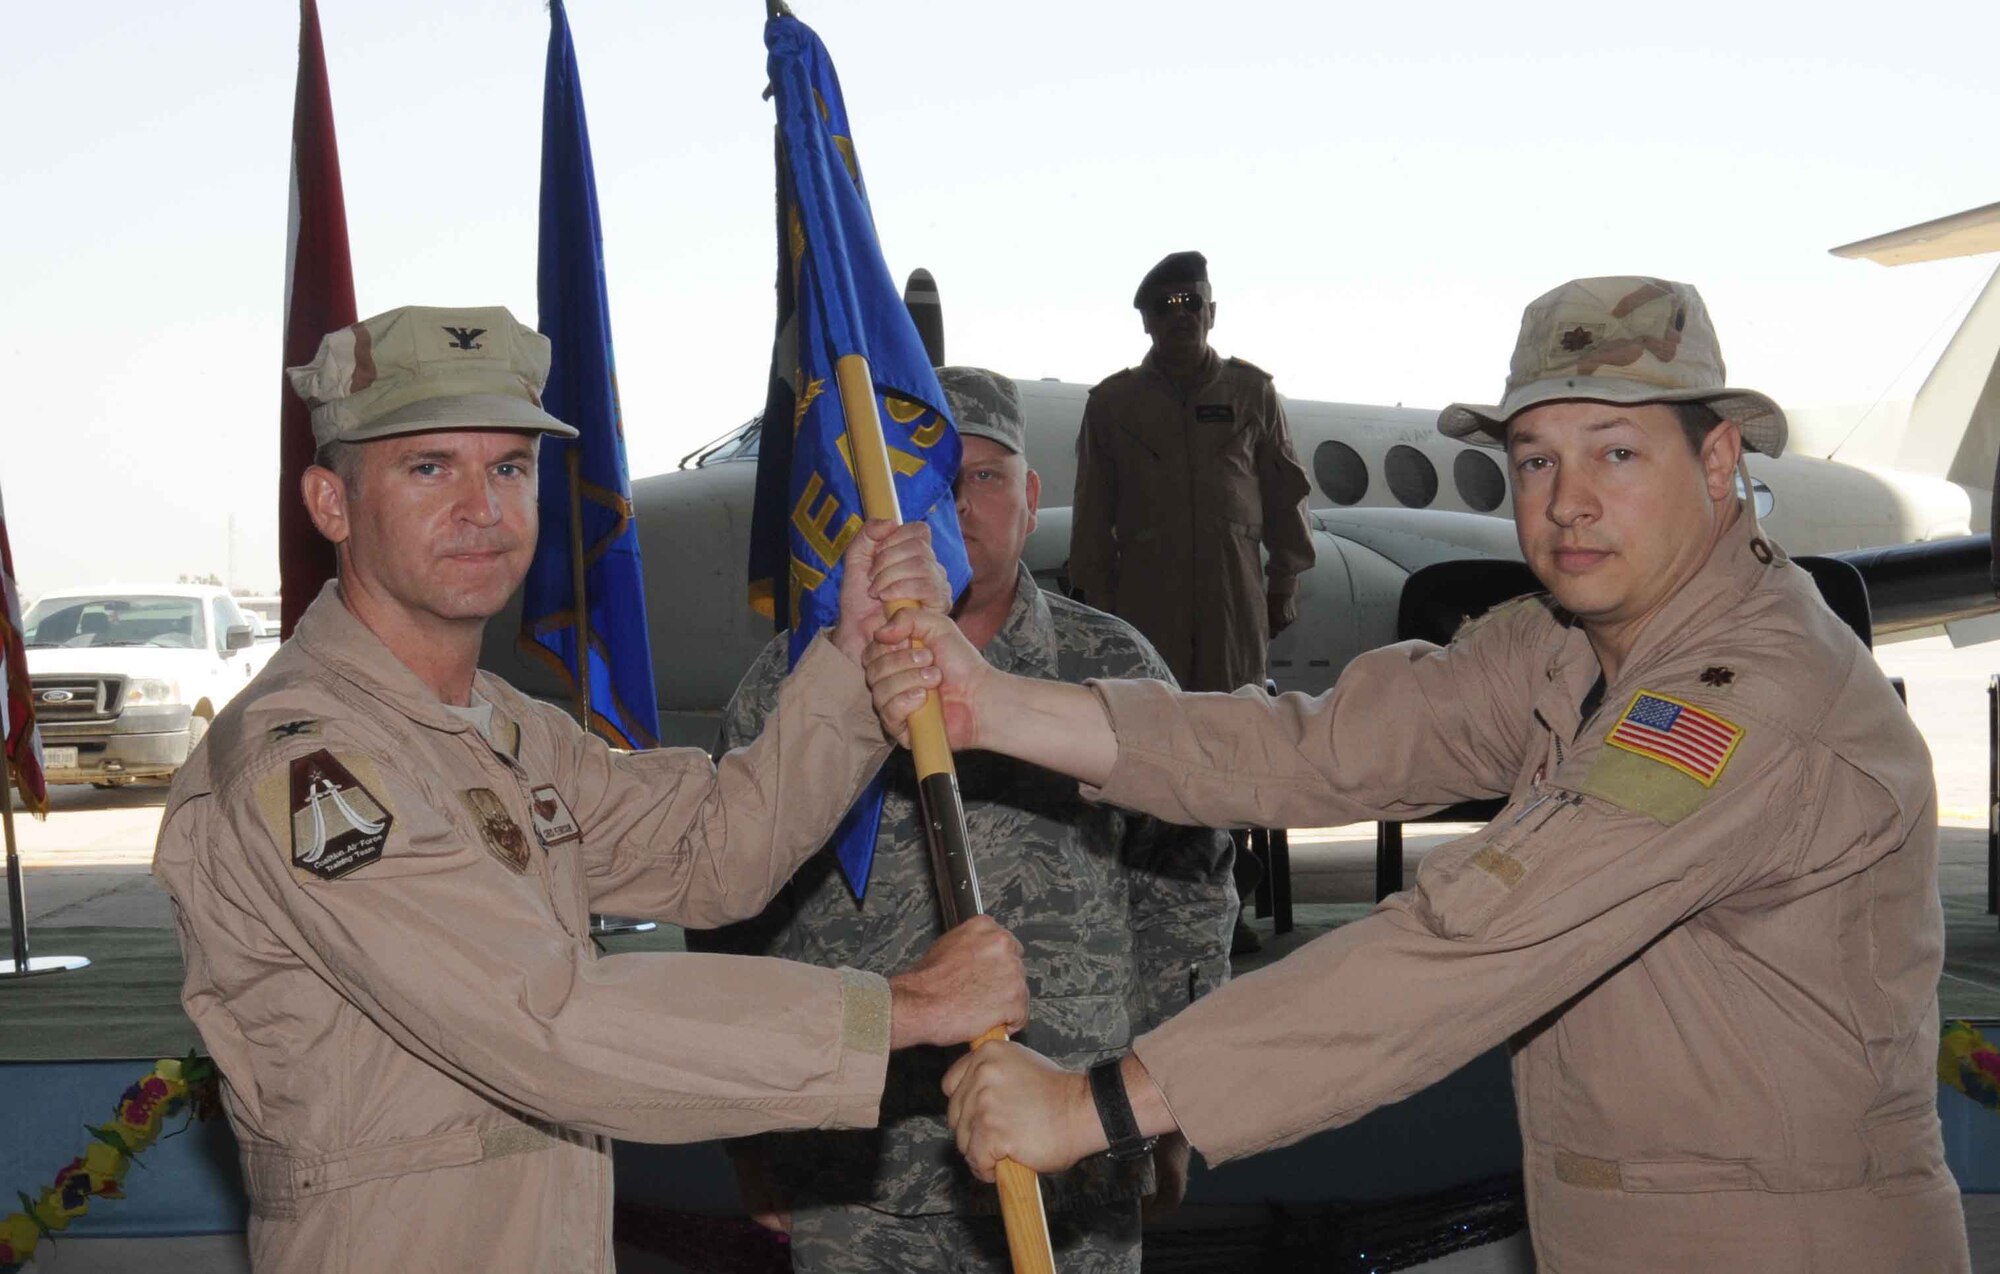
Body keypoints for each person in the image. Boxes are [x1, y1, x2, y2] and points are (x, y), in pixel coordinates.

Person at [869, 278, 1973, 1272]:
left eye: (1616, 451)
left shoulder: (1746, 698)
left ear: (1719, 459)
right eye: (1535, 457)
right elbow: (1311, 747)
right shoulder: (1565, 643)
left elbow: (1466, 944)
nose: (1565, 500)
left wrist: (1095, 1103)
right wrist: (997, 705)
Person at [151, 306, 1029, 1273]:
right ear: (331, 503)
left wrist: (851, 658)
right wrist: (898, 1010)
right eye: (429, 467)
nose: (482, 508)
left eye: (511, 468)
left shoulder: (501, 728)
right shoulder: (306, 765)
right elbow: (550, 1023)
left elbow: (713, 854)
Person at [691, 367, 1235, 1273]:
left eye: (987, 477)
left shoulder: (1111, 666)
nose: (961, 504)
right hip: (857, 1169)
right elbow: (728, 916)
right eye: (931, 481)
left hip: (1079, 1153)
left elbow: (1184, 894)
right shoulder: (797, 689)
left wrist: (1176, 1101)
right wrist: (750, 1133)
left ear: (1030, 500)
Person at [1069, 251, 1316, 954]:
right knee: (1147, 738)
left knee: (1232, 735)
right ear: (1145, 322)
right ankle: (1147, 893)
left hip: (1234, 598)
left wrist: (1285, 580)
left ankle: (1226, 900)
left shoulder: (1251, 391)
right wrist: (1094, 608)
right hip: (1144, 600)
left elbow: (1282, 494)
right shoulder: (1113, 403)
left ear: (1212, 312)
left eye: (1191, 304)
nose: (1179, 319)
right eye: (1164, 308)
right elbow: (1093, 514)